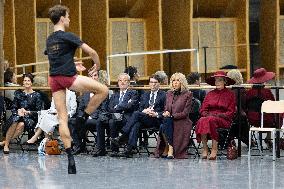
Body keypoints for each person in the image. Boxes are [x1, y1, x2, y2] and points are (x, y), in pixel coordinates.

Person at [45, 5, 108, 174]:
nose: (70, 19)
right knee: (103, 90)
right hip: (68, 77)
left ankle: (70, 157)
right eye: (68, 16)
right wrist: (97, 66)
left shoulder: (49, 39)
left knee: (62, 119)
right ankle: (83, 117)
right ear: (62, 18)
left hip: (53, 79)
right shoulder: (68, 36)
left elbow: (56, 58)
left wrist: (72, 63)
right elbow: (92, 52)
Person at [111, 74, 166, 157]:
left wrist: (156, 113)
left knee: (136, 114)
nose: (153, 84)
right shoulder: (145, 94)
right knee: (136, 124)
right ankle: (129, 150)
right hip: (145, 118)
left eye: (155, 82)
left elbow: (166, 111)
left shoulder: (164, 95)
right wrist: (145, 110)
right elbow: (140, 109)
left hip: (156, 120)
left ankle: (123, 137)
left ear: (159, 84)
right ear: (149, 83)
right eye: (151, 82)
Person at [195, 71, 236, 160]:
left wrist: (219, 115)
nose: (217, 82)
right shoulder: (210, 94)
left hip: (224, 119)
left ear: (225, 82)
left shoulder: (230, 94)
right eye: (216, 80)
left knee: (209, 120)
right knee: (202, 120)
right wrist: (207, 114)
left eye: (220, 80)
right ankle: (205, 148)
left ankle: (214, 148)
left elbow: (231, 112)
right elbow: (203, 109)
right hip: (209, 117)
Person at [0, 73, 43, 154]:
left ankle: (5, 143)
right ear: (23, 82)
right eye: (25, 80)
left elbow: (39, 111)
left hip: (29, 118)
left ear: (31, 82)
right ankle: (6, 145)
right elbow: (13, 107)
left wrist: (28, 112)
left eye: (28, 80)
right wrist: (18, 111)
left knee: (21, 124)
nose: (26, 82)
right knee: (18, 121)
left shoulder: (37, 95)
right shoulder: (18, 94)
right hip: (18, 116)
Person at [71, 69, 109, 155]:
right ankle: (79, 145)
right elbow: (80, 109)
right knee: (71, 121)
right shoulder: (85, 93)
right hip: (85, 119)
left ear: (99, 78)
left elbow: (103, 110)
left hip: (96, 119)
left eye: (95, 75)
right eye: (91, 76)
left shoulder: (103, 92)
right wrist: (82, 117)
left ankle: (99, 147)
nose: (93, 78)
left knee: (84, 122)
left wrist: (89, 116)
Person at [154, 73, 193, 159]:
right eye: (173, 81)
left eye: (177, 80)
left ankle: (169, 148)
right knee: (165, 123)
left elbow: (185, 113)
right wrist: (166, 112)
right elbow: (166, 108)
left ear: (182, 82)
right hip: (169, 120)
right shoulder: (169, 93)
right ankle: (170, 147)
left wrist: (172, 116)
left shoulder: (188, 94)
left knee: (164, 125)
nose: (175, 83)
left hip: (182, 120)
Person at [106, 73, 139, 156]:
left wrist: (118, 106)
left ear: (129, 83)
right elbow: (110, 108)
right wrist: (123, 106)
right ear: (118, 82)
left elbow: (131, 106)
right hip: (116, 117)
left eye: (125, 80)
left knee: (134, 124)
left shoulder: (133, 93)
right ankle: (114, 149)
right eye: (120, 80)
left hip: (128, 118)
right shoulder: (114, 95)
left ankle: (125, 144)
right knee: (112, 122)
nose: (122, 82)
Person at [246, 68, 275, 148]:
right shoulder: (267, 91)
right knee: (277, 114)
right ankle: (268, 137)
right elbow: (273, 104)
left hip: (252, 120)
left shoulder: (248, 92)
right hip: (266, 120)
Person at [227, 69, 249, 146]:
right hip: (237, 116)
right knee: (243, 118)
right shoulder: (241, 90)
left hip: (226, 115)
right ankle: (246, 138)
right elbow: (243, 104)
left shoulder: (226, 90)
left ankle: (230, 138)